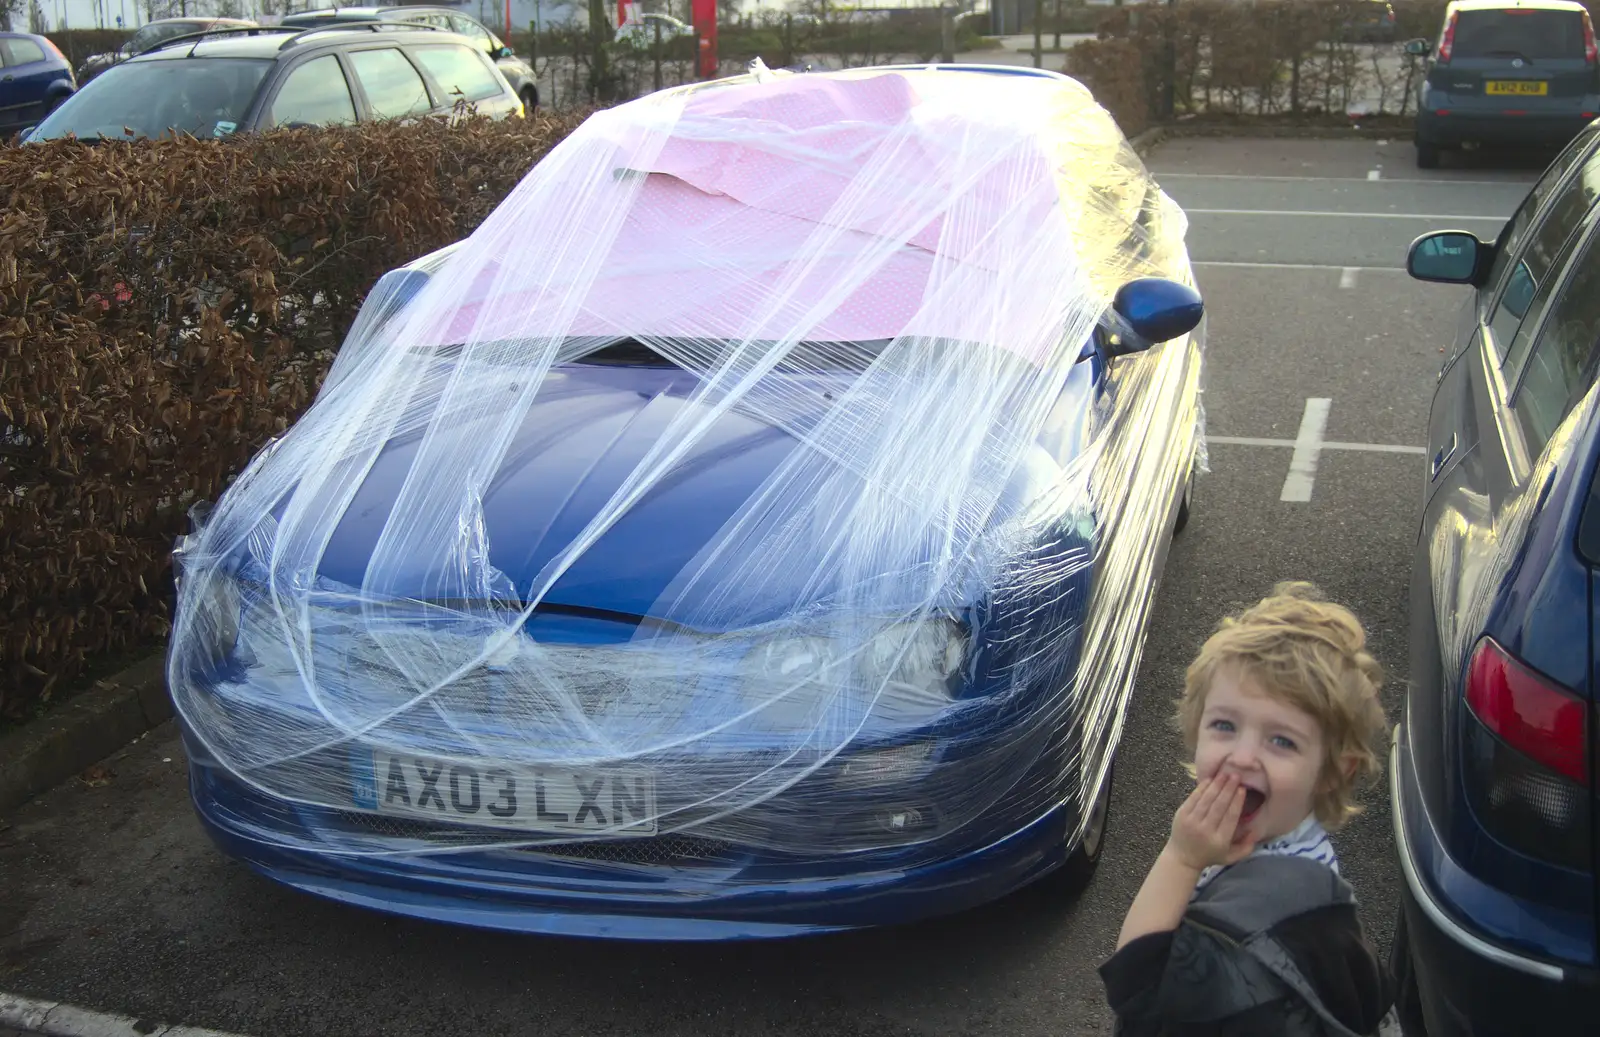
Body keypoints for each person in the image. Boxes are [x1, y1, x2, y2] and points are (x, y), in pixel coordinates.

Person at [1099, 581, 1396, 1037]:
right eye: (1224, 725)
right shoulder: (1302, 863)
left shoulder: (1261, 918)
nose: (1241, 756)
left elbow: (1137, 983)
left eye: (1281, 741)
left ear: (1334, 771)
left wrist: (1180, 859)